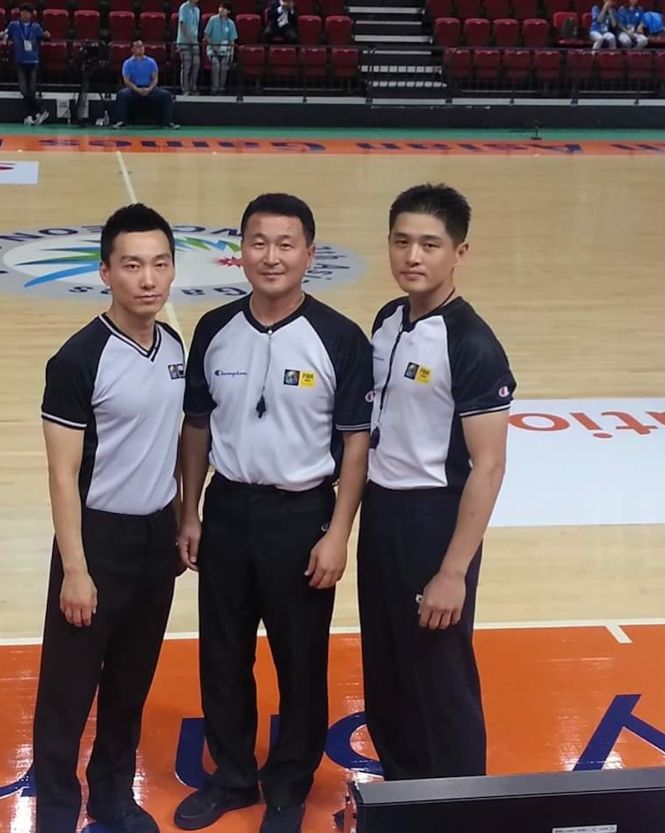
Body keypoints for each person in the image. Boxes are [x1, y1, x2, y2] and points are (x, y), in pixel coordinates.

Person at [174, 193, 372, 833]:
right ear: (241, 251)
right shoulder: (212, 328)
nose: (272, 256)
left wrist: (338, 534)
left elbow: (355, 444)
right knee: (222, 655)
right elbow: (196, 425)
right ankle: (232, 778)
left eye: (286, 244)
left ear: (310, 255)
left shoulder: (339, 337)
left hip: (302, 516)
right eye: (258, 243)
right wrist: (190, 510)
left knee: (300, 660)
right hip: (228, 509)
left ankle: (288, 786)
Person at [32, 204, 186, 833]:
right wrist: (75, 568)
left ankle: (113, 797)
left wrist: (180, 522)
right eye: (132, 265)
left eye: (159, 264)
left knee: (129, 684)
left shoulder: (175, 346)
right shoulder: (77, 360)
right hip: (95, 541)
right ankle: (57, 814)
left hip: (155, 540)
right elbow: (62, 474)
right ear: (105, 272)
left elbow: (176, 447)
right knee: (67, 696)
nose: (148, 279)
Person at [358, 183, 516, 782]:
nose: (413, 257)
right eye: (402, 242)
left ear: (459, 252)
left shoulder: (472, 343)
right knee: (389, 666)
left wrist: (453, 571)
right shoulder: (387, 318)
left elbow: (490, 465)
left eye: (429, 244)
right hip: (382, 516)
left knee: (440, 675)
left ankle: (458, 805)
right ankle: (402, 791)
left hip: (434, 523)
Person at [1, 4, 49, 125]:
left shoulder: (36, 27)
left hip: (33, 61)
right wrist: (2, 35)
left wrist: (47, 35)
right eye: (23, 12)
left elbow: (44, 36)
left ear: (31, 14)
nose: (25, 14)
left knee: (31, 90)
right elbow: (5, 34)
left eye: (28, 12)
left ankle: (30, 115)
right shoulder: (13, 25)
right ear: (20, 13)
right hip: (20, 62)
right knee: (24, 90)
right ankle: (40, 111)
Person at [114, 41, 179, 129]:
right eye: (138, 46)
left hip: (149, 88)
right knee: (121, 95)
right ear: (132, 49)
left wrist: (149, 89)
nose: (141, 48)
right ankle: (121, 122)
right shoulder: (127, 63)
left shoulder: (151, 62)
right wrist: (137, 90)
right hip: (134, 89)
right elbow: (126, 80)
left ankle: (166, 122)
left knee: (166, 95)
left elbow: (155, 79)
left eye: (142, 46)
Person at [204, 0, 239, 94]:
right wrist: (213, 46)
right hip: (212, 49)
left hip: (225, 51)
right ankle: (214, 88)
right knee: (216, 64)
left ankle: (221, 88)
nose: (221, 9)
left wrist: (231, 54)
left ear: (228, 11)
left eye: (224, 8)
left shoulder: (231, 24)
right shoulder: (213, 19)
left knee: (224, 66)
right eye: (220, 7)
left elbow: (232, 41)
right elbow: (206, 35)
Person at [177, 0, 202, 94]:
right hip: (184, 42)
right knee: (186, 65)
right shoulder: (184, 7)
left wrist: (194, 41)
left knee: (196, 64)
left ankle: (193, 87)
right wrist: (189, 39)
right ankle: (185, 89)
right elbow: (182, 24)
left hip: (195, 42)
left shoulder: (197, 10)